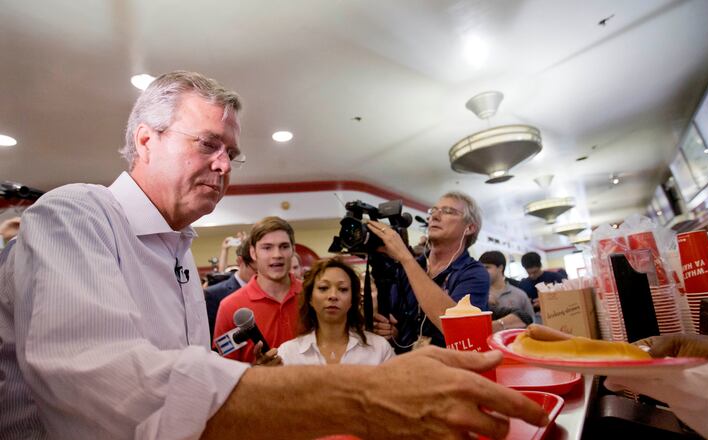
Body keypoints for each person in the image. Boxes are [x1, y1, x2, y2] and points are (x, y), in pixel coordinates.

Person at [0, 71, 547, 439]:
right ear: (146, 140)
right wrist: (362, 394)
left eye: (231, 153)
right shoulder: (74, 215)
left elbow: (185, 382)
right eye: (207, 144)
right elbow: (108, 387)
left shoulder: (180, 251)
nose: (224, 166)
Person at [371, 191, 489, 353]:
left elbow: (459, 329)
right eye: (433, 210)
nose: (435, 216)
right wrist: (392, 332)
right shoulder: (409, 268)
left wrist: (405, 257)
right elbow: (397, 321)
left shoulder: (474, 273)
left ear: (469, 228)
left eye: (448, 211)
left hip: (448, 366)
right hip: (404, 363)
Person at [214, 216, 302, 364]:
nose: (277, 255)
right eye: (267, 248)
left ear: (293, 250)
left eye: (284, 246)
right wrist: (257, 372)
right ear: (253, 253)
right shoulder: (230, 307)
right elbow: (223, 369)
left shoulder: (313, 296)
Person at [276, 258, 394, 365]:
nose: (333, 296)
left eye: (342, 289)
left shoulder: (379, 349)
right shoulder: (288, 353)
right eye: (323, 288)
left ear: (352, 299)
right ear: (310, 298)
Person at [205, 235, 256, 337]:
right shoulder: (213, 294)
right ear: (240, 261)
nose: (260, 276)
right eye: (256, 270)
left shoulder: (269, 290)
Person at [479, 250, 534, 331]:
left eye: (487, 267)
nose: (483, 271)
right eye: (481, 268)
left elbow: (532, 323)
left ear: (500, 268)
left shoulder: (519, 294)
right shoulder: (478, 296)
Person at [518, 252, 565, 322]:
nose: (532, 275)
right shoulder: (523, 285)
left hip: (558, 315)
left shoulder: (555, 277)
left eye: (535, 272)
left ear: (540, 266)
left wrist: (547, 301)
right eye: (529, 273)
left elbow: (566, 298)